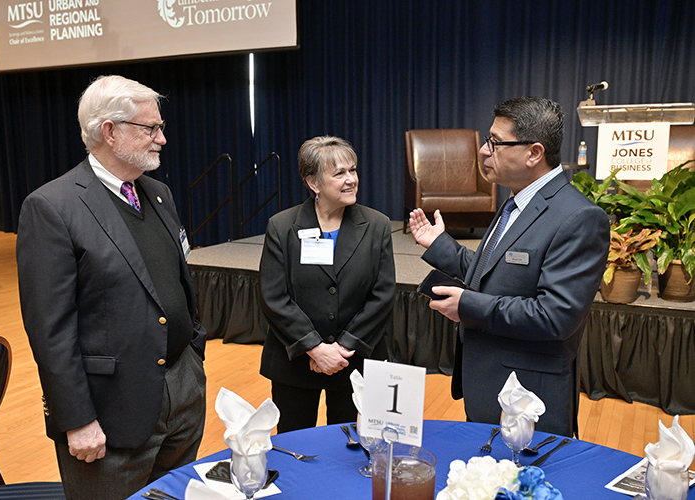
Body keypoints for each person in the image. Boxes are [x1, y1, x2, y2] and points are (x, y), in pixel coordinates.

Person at [16, 75, 207, 500]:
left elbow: (176, 282)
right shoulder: (52, 207)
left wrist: (194, 353)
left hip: (182, 388)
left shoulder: (158, 194)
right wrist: (76, 419)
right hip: (109, 411)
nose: (162, 138)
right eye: (150, 128)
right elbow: (51, 330)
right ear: (110, 131)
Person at [409, 96, 609, 438]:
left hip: (528, 395)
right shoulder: (516, 201)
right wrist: (440, 246)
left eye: (495, 142)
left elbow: (555, 315)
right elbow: (497, 272)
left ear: (534, 153)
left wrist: (467, 305)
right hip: (489, 380)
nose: (485, 151)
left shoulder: (579, 217)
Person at [259, 136, 396, 433]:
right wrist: (314, 348)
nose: (351, 180)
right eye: (339, 173)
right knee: (294, 445)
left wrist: (342, 348)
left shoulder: (377, 225)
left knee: (349, 448)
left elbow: (382, 295)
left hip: (354, 361)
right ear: (313, 183)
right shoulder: (282, 227)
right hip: (295, 361)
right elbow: (274, 297)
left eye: (353, 170)